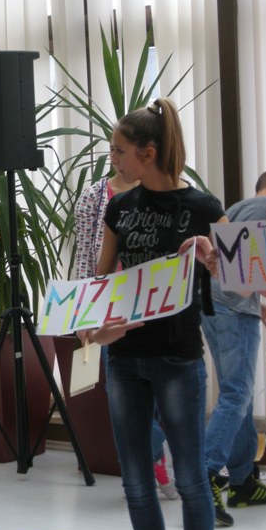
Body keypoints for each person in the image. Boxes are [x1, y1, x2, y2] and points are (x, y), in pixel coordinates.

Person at [84, 98, 227, 530]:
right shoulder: (119, 206)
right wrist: (97, 330)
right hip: (124, 358)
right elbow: (101, 281)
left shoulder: (203, 206)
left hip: (178, 357)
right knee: (136, 482)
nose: (112, 159)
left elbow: (241, 277)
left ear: (147, 154)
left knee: (190, 479)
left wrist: (213, 260)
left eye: (118, 150)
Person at [74, 171, 178, 500]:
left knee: (157, 389)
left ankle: (147, 465)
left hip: (154, 302)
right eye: (113, 150)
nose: (116, 158)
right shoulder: (94, 197)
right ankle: (154, 454)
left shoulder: (162, 192)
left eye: (121, 150)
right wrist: (82, 313)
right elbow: (84, 257)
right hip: (109, 306)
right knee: (118, 392)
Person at [201, 169, 266, 527]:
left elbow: (237, 266)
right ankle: (206, 476)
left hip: (213, 305)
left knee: (237, 393)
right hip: (233, 310)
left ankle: (243, 482)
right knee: (237, 393)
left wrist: (260, 302)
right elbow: (250, 267)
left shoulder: (239, 207)